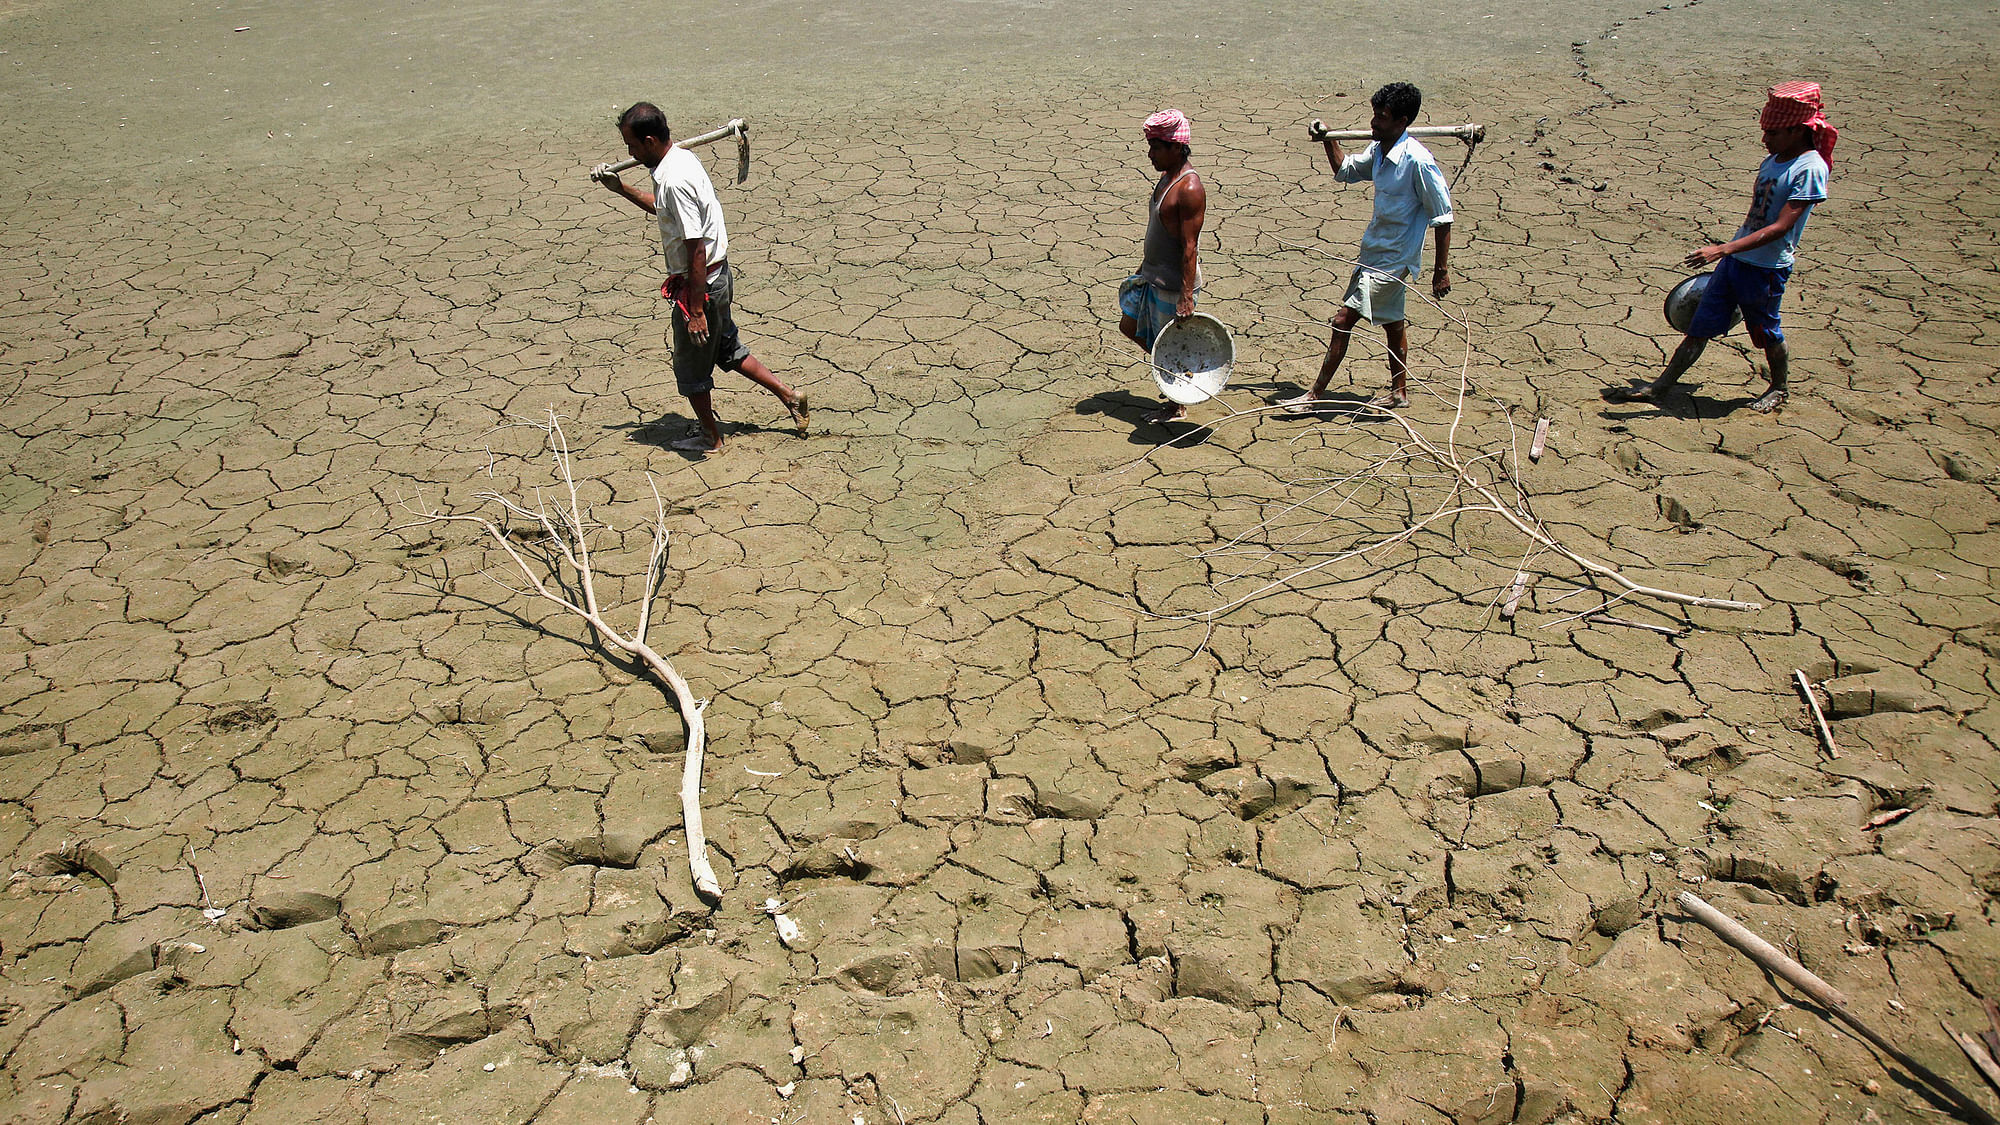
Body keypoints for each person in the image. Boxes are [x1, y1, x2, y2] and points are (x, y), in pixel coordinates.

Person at [1604, 81, 1836, 414]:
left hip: (1765, 269)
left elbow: (1781, 227)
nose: (1765, 139)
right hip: (1737, 262)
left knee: (1766, 331)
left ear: (1797, 130)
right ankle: (1661, 387)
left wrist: (1723, 249)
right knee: (1700, 325)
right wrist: (1731, 253)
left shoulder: (1809, 168)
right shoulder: (1773, 160)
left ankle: (1779, 387)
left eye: (1772, 132)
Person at [596, 102, 808, 455]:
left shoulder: (675, 178)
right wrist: (620, 188)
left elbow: (695, 248)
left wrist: (694, 310)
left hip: (703, 283)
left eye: (632, 146)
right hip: (717, 275)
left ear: (650, 141)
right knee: (727, 349)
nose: (629, 153)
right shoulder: (677, 159)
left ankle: (711, 437)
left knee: (690, 368)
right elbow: (663, 209)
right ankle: (790, 396)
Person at [1281, 82, 1453, 413]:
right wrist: (1328, 140)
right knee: (1393, 324)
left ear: (1402, 121)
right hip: (1373, 253)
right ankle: (1399, 392)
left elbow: (1443, 218)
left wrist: (1440, 272)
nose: (1373, 123)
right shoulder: (1378, 152)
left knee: (1343, 320)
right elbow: (1345, 170)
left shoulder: (1418, 161)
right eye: (1374, 115)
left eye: (1382, 117)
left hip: (1394, 260)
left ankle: (1315, 395)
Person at [1117, 109, 1207, 424]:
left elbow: (1189, 246)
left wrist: (1186, 295)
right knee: (1129, 327)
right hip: (1152, 277)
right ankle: (1178, 378)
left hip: (1172, 285)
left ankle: (1177, 403)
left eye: (1156, 147)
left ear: (1176, 147)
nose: (1150, 153)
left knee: (1167, 345)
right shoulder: (1167, 178)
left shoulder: (1189, 188)